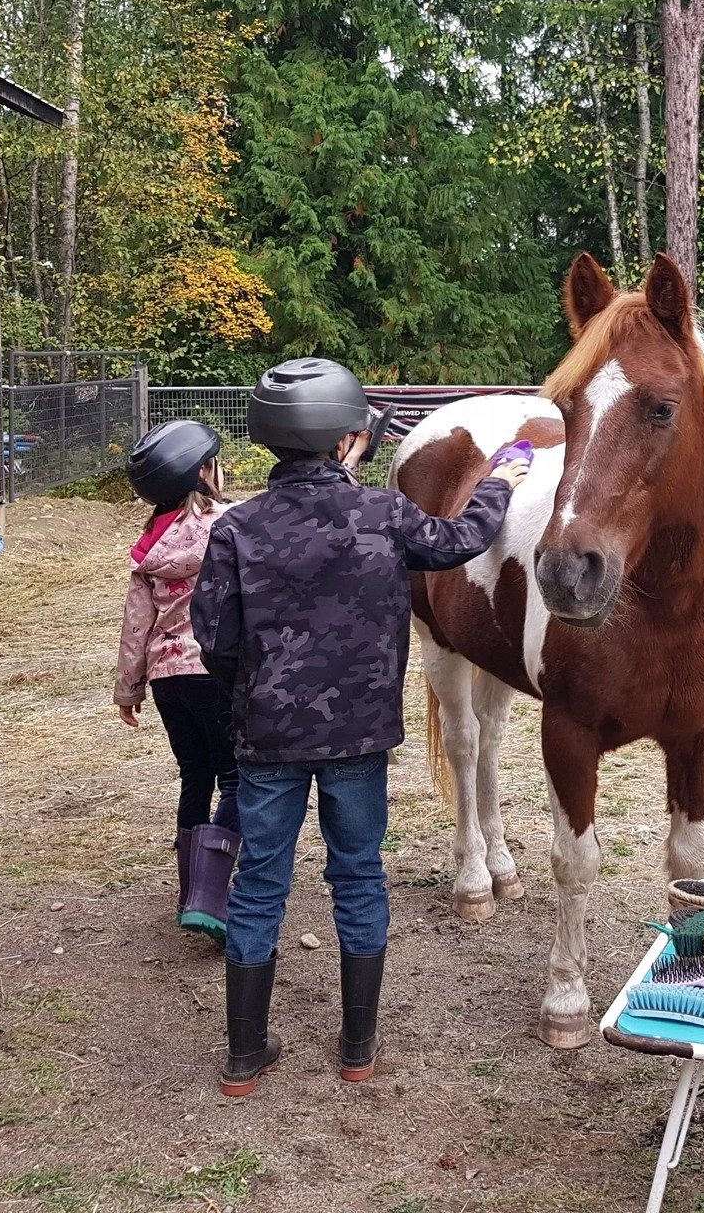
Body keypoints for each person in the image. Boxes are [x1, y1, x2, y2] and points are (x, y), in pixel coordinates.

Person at [191, 358, 531, 1097]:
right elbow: (460, 539)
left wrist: (255, 692)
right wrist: (503, 476)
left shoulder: (236, 528)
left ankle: (245, 1056)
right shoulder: (384, 514)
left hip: (267, 741)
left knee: (259, 887)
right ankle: (357, 1047)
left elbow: (212, 638)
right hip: (358, 738)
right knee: (357, 877)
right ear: (348, 440)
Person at [116, 419, 238, 948]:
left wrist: (129, 689)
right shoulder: (232, 526)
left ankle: (189, 891)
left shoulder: (150, 546)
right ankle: (212, 898)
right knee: (235, 780)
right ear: (205, 472)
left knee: (195, 775)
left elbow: (135, 624)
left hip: (169, 679)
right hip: (215, 671)